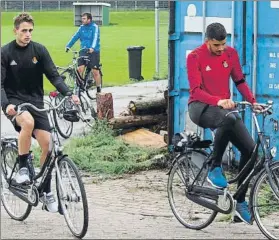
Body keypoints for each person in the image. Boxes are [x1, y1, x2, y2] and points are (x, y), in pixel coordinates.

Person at [1, 12, 80, 213]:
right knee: (26, 122)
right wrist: (7, 104)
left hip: (36, 101)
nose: (28, 34)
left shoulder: (39, 50)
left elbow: (54, 76)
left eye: (30, 31)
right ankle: (23, 167)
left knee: (49, 144)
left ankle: (45, 191)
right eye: (24, 30)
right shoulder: (5, 53)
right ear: (15, 31)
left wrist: (70, 93)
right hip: (14, 101)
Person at [186, 22, 262, 225]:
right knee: (228, 118)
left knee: (251, 150)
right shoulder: (194, 57)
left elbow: (239, 81)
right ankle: (214, 166)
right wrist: (218, 100)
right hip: (200, 108)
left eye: (223, 44)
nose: (221, 49)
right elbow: (195, 91)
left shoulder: (231, 54)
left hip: (224, 110)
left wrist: (253, 102)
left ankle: (239, 201)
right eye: (216, 45)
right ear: (207, 41)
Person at [65, 12, 102, 93]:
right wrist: (68, 46)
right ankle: (79, 87)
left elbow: (95, 38)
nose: (82, 20)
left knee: (95, 71)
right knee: (79, 69)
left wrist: (92, 47)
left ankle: (98, 88)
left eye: (84, 18)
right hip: (84, 50)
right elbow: (75, 37)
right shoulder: (81, 28)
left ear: (89, 19)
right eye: (82, 18)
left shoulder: (95, 27)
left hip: (93, 51)